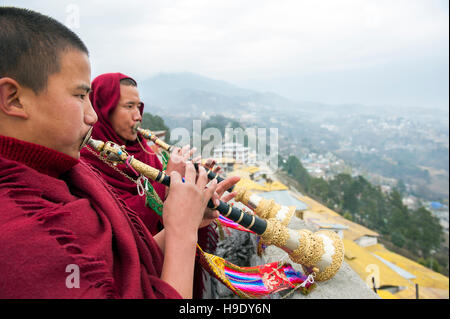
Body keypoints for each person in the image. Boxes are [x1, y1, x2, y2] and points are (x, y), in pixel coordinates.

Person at [0, 6, 237, 299]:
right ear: (13, 99)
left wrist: (190, 219)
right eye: (78, 96)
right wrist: (181, 230)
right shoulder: (21, 237)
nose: (92, 117)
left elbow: (131, 264)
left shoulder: (67, 175)